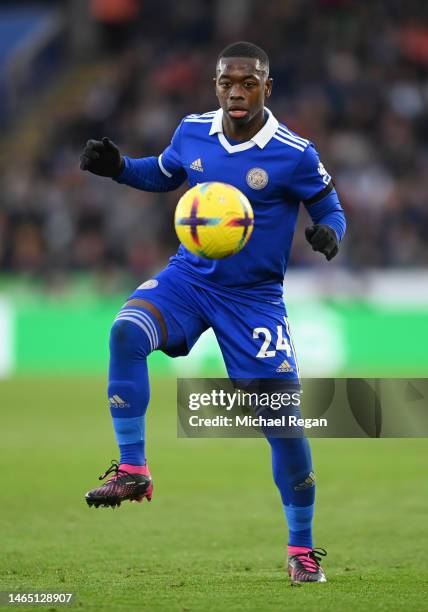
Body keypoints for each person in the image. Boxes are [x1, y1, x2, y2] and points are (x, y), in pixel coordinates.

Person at [80, 41, 346, 584]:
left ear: (266, 88)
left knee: (285, 428)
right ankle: (133, 469)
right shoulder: (192, 131)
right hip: (189, 279)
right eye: (227, 82)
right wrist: (118, 168)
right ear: (216, 85)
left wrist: (329, 235)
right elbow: (161, 173)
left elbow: (330, 206)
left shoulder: (294, 152)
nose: (236, 91)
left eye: (248, 82)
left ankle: (301, 549)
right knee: (126, 332)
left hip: (254, 301)